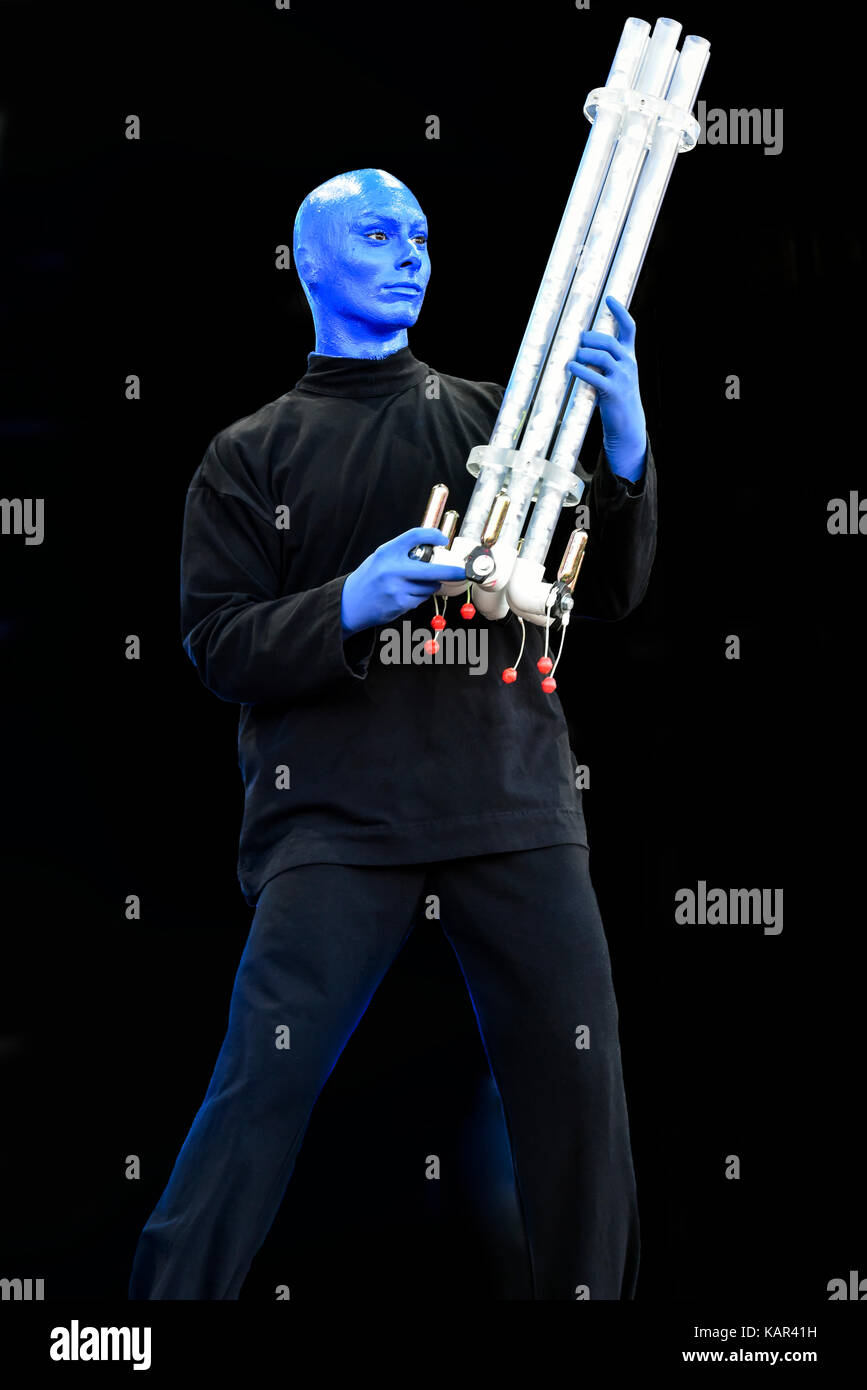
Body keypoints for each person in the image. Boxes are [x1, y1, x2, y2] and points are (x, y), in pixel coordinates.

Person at [128, 166, 657, 1300]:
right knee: (258, 1088)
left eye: (420, 233)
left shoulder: (495, 419)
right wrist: (353, 603)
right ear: (309, 262)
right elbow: (218, 646)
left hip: (511, 800)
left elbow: (603, 591)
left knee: (579, 1095)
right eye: (376, 233)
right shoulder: (248, 454)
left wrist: (623, 443)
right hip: (333, 816)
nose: (411, 251)